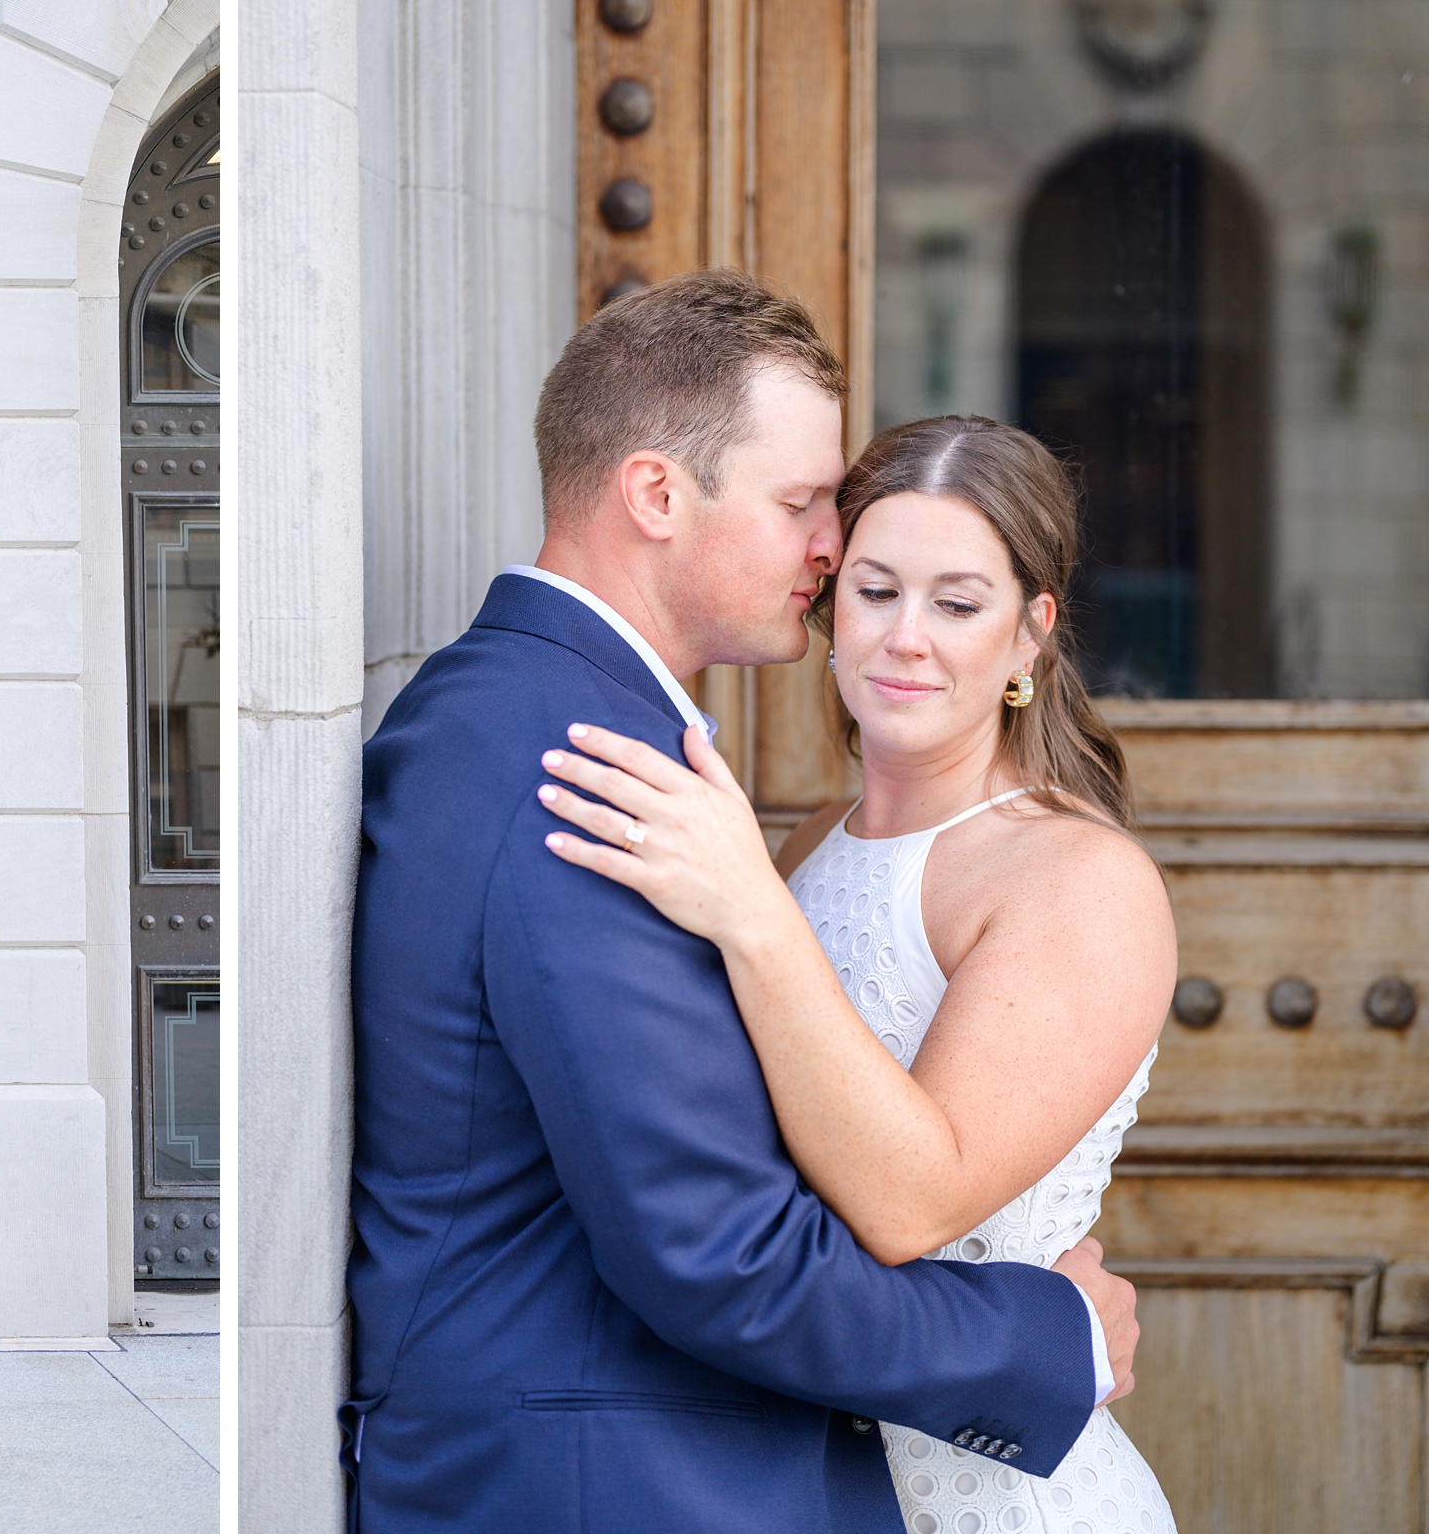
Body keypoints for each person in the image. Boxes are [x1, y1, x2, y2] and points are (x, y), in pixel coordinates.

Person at [347, 272, 1140, 1531]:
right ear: (658, 494)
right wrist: (1046, 1342)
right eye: (803, 504)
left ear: (1031, 632)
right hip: (606, 1483)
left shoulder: (592, 742)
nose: (833, 552)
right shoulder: (575, 766)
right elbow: (720, 1251)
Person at [540, 414, 1176, 1530]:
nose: (906, 639)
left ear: (1031, 634)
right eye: (876, 591)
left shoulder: (1079, 877)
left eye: (958, 602)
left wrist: (748, 914)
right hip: (796, 1479)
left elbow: (909, 1203)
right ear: (830, 609)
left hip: (999, 1494)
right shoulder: (797, 849)